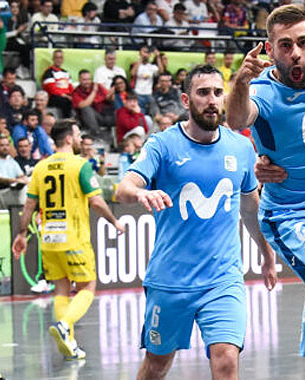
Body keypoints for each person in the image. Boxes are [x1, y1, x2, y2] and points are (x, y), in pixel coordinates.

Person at [115, 65, 278, 379]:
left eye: (218, 92)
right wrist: (140, 194)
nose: (212, 100)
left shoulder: (241, 147)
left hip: (223, 279)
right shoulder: (162, 145)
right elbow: (123, 188)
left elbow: (249, 206)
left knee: (227, 360)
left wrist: (266, 253)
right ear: (186, 100)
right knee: (157, 366)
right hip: (171, 281)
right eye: (203, 93)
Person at [225, 5, 305, 380]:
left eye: (302, 42)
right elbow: (236, 120)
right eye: (284, 45)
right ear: (270, 50)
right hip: (291, 215)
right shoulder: (263, 89)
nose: (295, 53)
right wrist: (240, 82)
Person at [11, 119, 125, 359]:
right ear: (68, 138)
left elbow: (29, 204)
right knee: (87, 287)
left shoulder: (41, 167)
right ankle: (65, 326)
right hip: (74, 238)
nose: (79, 138)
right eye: (77, 134)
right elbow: (95, 201)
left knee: (61, 289)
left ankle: (70, 343)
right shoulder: (79, 165)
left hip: (49, 240)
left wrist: (21, 234)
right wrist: (114, 221)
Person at [72, 69, 115, 137]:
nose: (87, 82)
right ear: (79, 80)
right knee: (86, 109)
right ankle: (97, 135)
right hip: (93, 119)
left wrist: (112, 94)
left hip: (107, 114)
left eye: (89, 79)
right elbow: (83, 105)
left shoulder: (98, 86)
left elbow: (107, 97)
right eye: (84, 80)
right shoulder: (76, 92)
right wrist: (94, 91)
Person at [0, 135, 28, 208]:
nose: (5, 148)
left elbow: (21, 175)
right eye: (2, 145)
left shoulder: (12, 162)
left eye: (7, 145)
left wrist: (25, 180)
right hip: (0, 191)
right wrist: (14, 180)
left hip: (14, 191)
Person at [41, 49, 73, 118]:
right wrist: (65, 96)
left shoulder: (66, 73)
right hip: (53, 97)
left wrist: (71, 96)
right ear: (53, 59)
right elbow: (52, 90)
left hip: (66, 96)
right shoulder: (48, 72)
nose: (59, 60)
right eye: (57, 57)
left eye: (61, 58)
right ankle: (66, 121)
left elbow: (70, 88)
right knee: (66, 101)